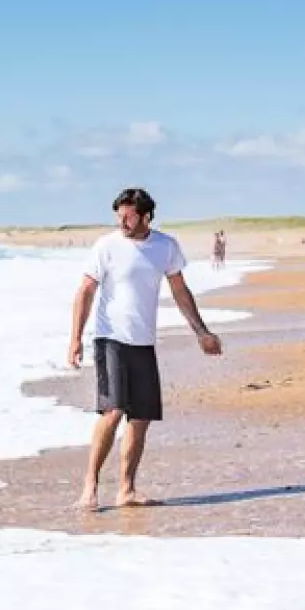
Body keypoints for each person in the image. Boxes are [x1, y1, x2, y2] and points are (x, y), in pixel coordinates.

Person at [68, 188, 223, 511]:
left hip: (143, 343)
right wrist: (75, 338)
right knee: (113, 411)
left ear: (146, 216)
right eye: (119, 216)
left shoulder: (165, 246)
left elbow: (180, 291)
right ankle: (90, 485)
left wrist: (201, 332)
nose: (122, 222)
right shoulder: (106, 246)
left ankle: (126, 489)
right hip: (110, 339)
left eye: (128, 216)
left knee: (140, 419)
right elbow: (85, 291)